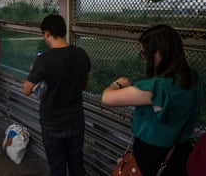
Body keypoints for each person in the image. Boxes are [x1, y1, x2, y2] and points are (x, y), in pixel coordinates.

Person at [101, 24, 202, 176]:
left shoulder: (157, 87)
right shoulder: (193, 79)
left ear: (159, 53)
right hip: (181, 151)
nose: (143, 58)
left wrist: (118, 84)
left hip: (153, 156)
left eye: (144, 53)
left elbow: (107, 98)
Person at [22, 14, 91, 176]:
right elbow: (84, 85)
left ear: (47, 33)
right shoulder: (81, 54)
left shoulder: (44, 60)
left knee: (57, 165)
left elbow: (26, 90)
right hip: (75, 119)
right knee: (76, 162)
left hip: (52, 122)